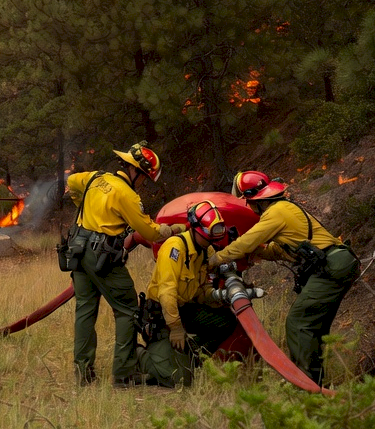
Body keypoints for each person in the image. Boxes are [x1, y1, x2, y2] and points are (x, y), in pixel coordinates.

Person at [208, 172, 360, 385]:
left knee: (298, 322)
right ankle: (317, 381)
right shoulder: (285, 209)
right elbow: (277, 251)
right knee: (314, 327)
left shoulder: (275, 213)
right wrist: (258, 251)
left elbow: (246, 242)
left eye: (248, 202)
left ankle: (306, 383)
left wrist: (217, 257)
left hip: (332, 266)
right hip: (340, 263)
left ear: (255, 199)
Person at [66, 141, 185, 387]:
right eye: (144, 178)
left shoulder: (95, 178)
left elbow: (72, 182)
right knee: (128, 309)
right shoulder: (127, 195)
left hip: (78, 250)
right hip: (103, 256)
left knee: (85, 310)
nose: (143, 183)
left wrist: (82, 205)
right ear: (136, 171)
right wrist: (173, 229)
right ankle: (123, 374)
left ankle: (84, 374)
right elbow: (150, 232)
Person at [136, 200, 237, 387]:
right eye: (209, 238)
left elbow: (199, 289)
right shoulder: (174, 248)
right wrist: (175, 328)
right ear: (196, 230)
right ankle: (140, 355)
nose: (212, 243)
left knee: (227, 321)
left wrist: (215, 297)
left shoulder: (204, 250)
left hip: (185, 309)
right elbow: (167, 293)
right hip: (163, 316)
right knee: (179, 380)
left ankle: (191, 357)